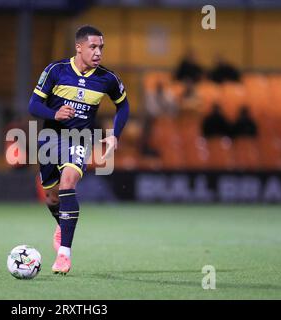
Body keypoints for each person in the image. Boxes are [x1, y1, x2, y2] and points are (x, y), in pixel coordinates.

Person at [28, 25, 130, 274]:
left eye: (101, 47)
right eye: (93, 47)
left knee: (68, 183)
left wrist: (115, 136)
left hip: (80, 139)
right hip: (51, 138)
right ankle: (62, 224)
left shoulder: (108, 78)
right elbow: (33, 105)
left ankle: (64, 254)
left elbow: (124, 106)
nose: (98, 52)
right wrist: (55, 113)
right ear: (79, 47)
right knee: (51, 196)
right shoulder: (56, 70)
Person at [141, 82, 177, 156]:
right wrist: (161, 114)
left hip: (165, 122)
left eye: (161, 87)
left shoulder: (168, 95)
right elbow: (152, 111)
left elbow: (173, 110)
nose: (160, 89)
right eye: (158, 87)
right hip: (152, 123)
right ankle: (149, 147)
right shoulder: (150, 95)